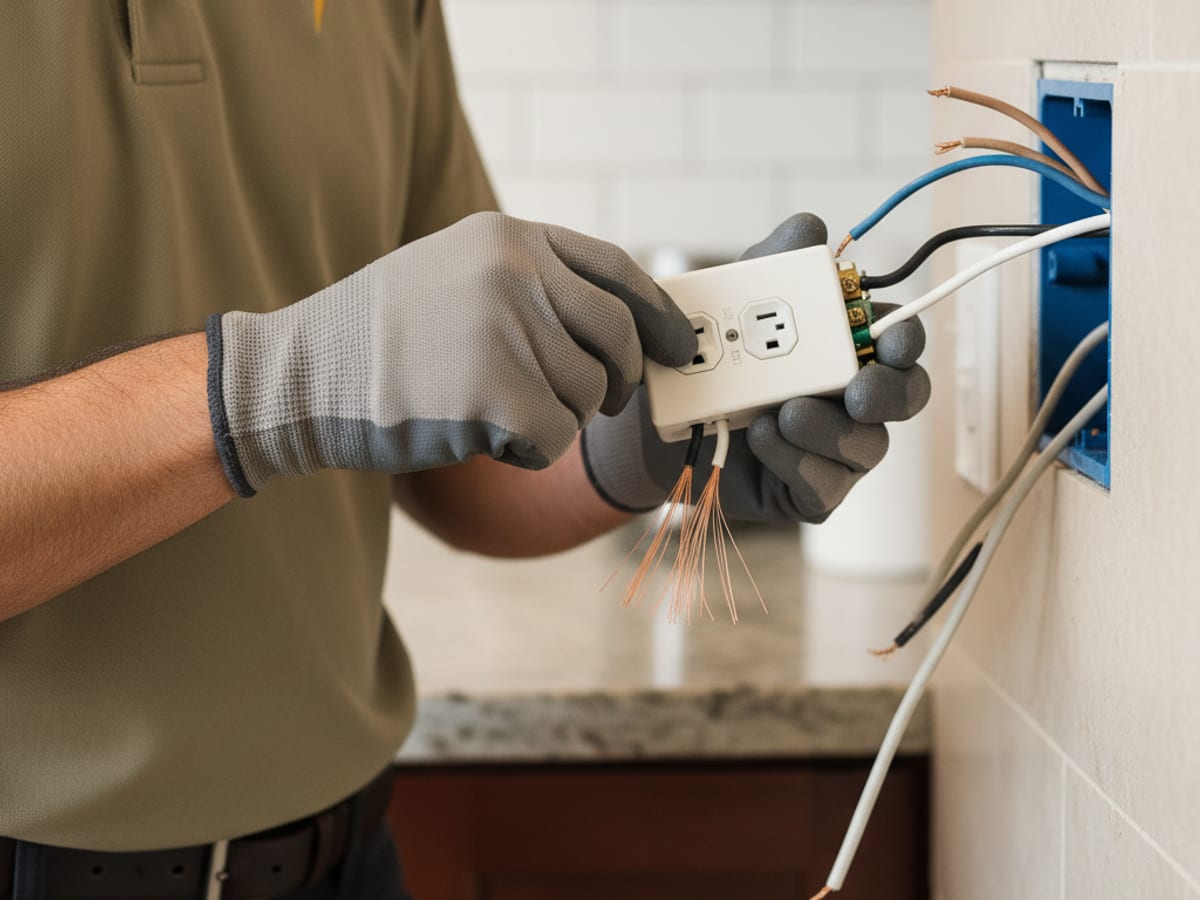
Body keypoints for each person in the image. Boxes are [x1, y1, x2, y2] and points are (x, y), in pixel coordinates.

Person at [0, 3, 929, 899]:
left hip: (344, 854)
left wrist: (643, 437)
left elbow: (446, 448)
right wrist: (272, 386)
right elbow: (333, 378)